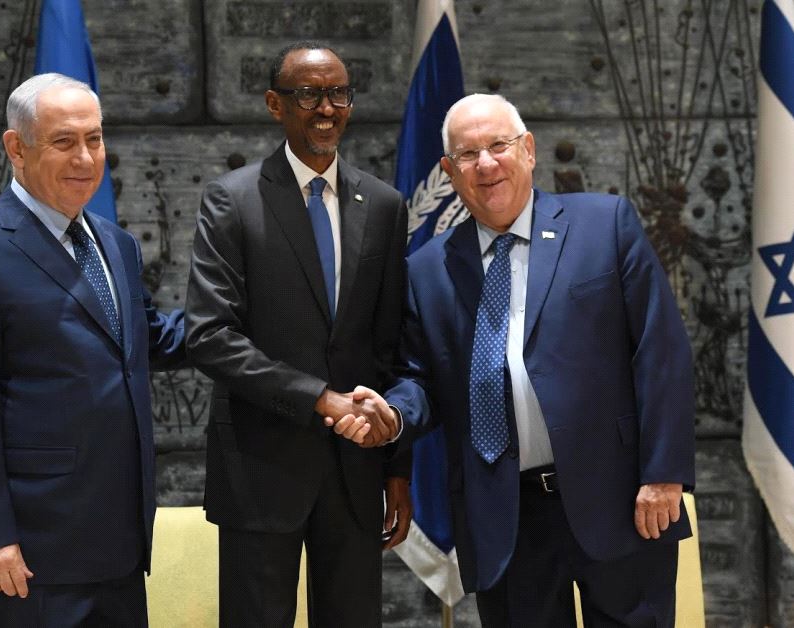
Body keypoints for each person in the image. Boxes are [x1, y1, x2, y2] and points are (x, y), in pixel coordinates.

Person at [343, 93, 696, 626]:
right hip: (506, 518)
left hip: (621, 501)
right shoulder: (427, 270)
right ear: (448, 173)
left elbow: (660, 351)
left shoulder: (605, 224)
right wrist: (392, 416)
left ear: (528, 150)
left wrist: (664, 474)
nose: (486, 164)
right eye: (468, 155)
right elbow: (420, 379)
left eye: (499, 145)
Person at [0, 73, 186, 627]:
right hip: (27, 557)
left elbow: (145, 336)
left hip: (117, 546)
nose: (85, 158)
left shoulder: (115, 243)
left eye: (95, 139)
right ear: (17, 148)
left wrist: (251, 323)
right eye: (64, 141)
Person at [185, 41, 411, 627]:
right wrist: (319, 399)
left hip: (356, 473)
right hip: (260, 471)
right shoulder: (232, 200)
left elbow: (390, 350)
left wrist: (397, 470)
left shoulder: (384, 205)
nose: (326, 108)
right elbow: (210, 335)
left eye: (338, 94)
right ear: (275, 104)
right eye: (308, 94)